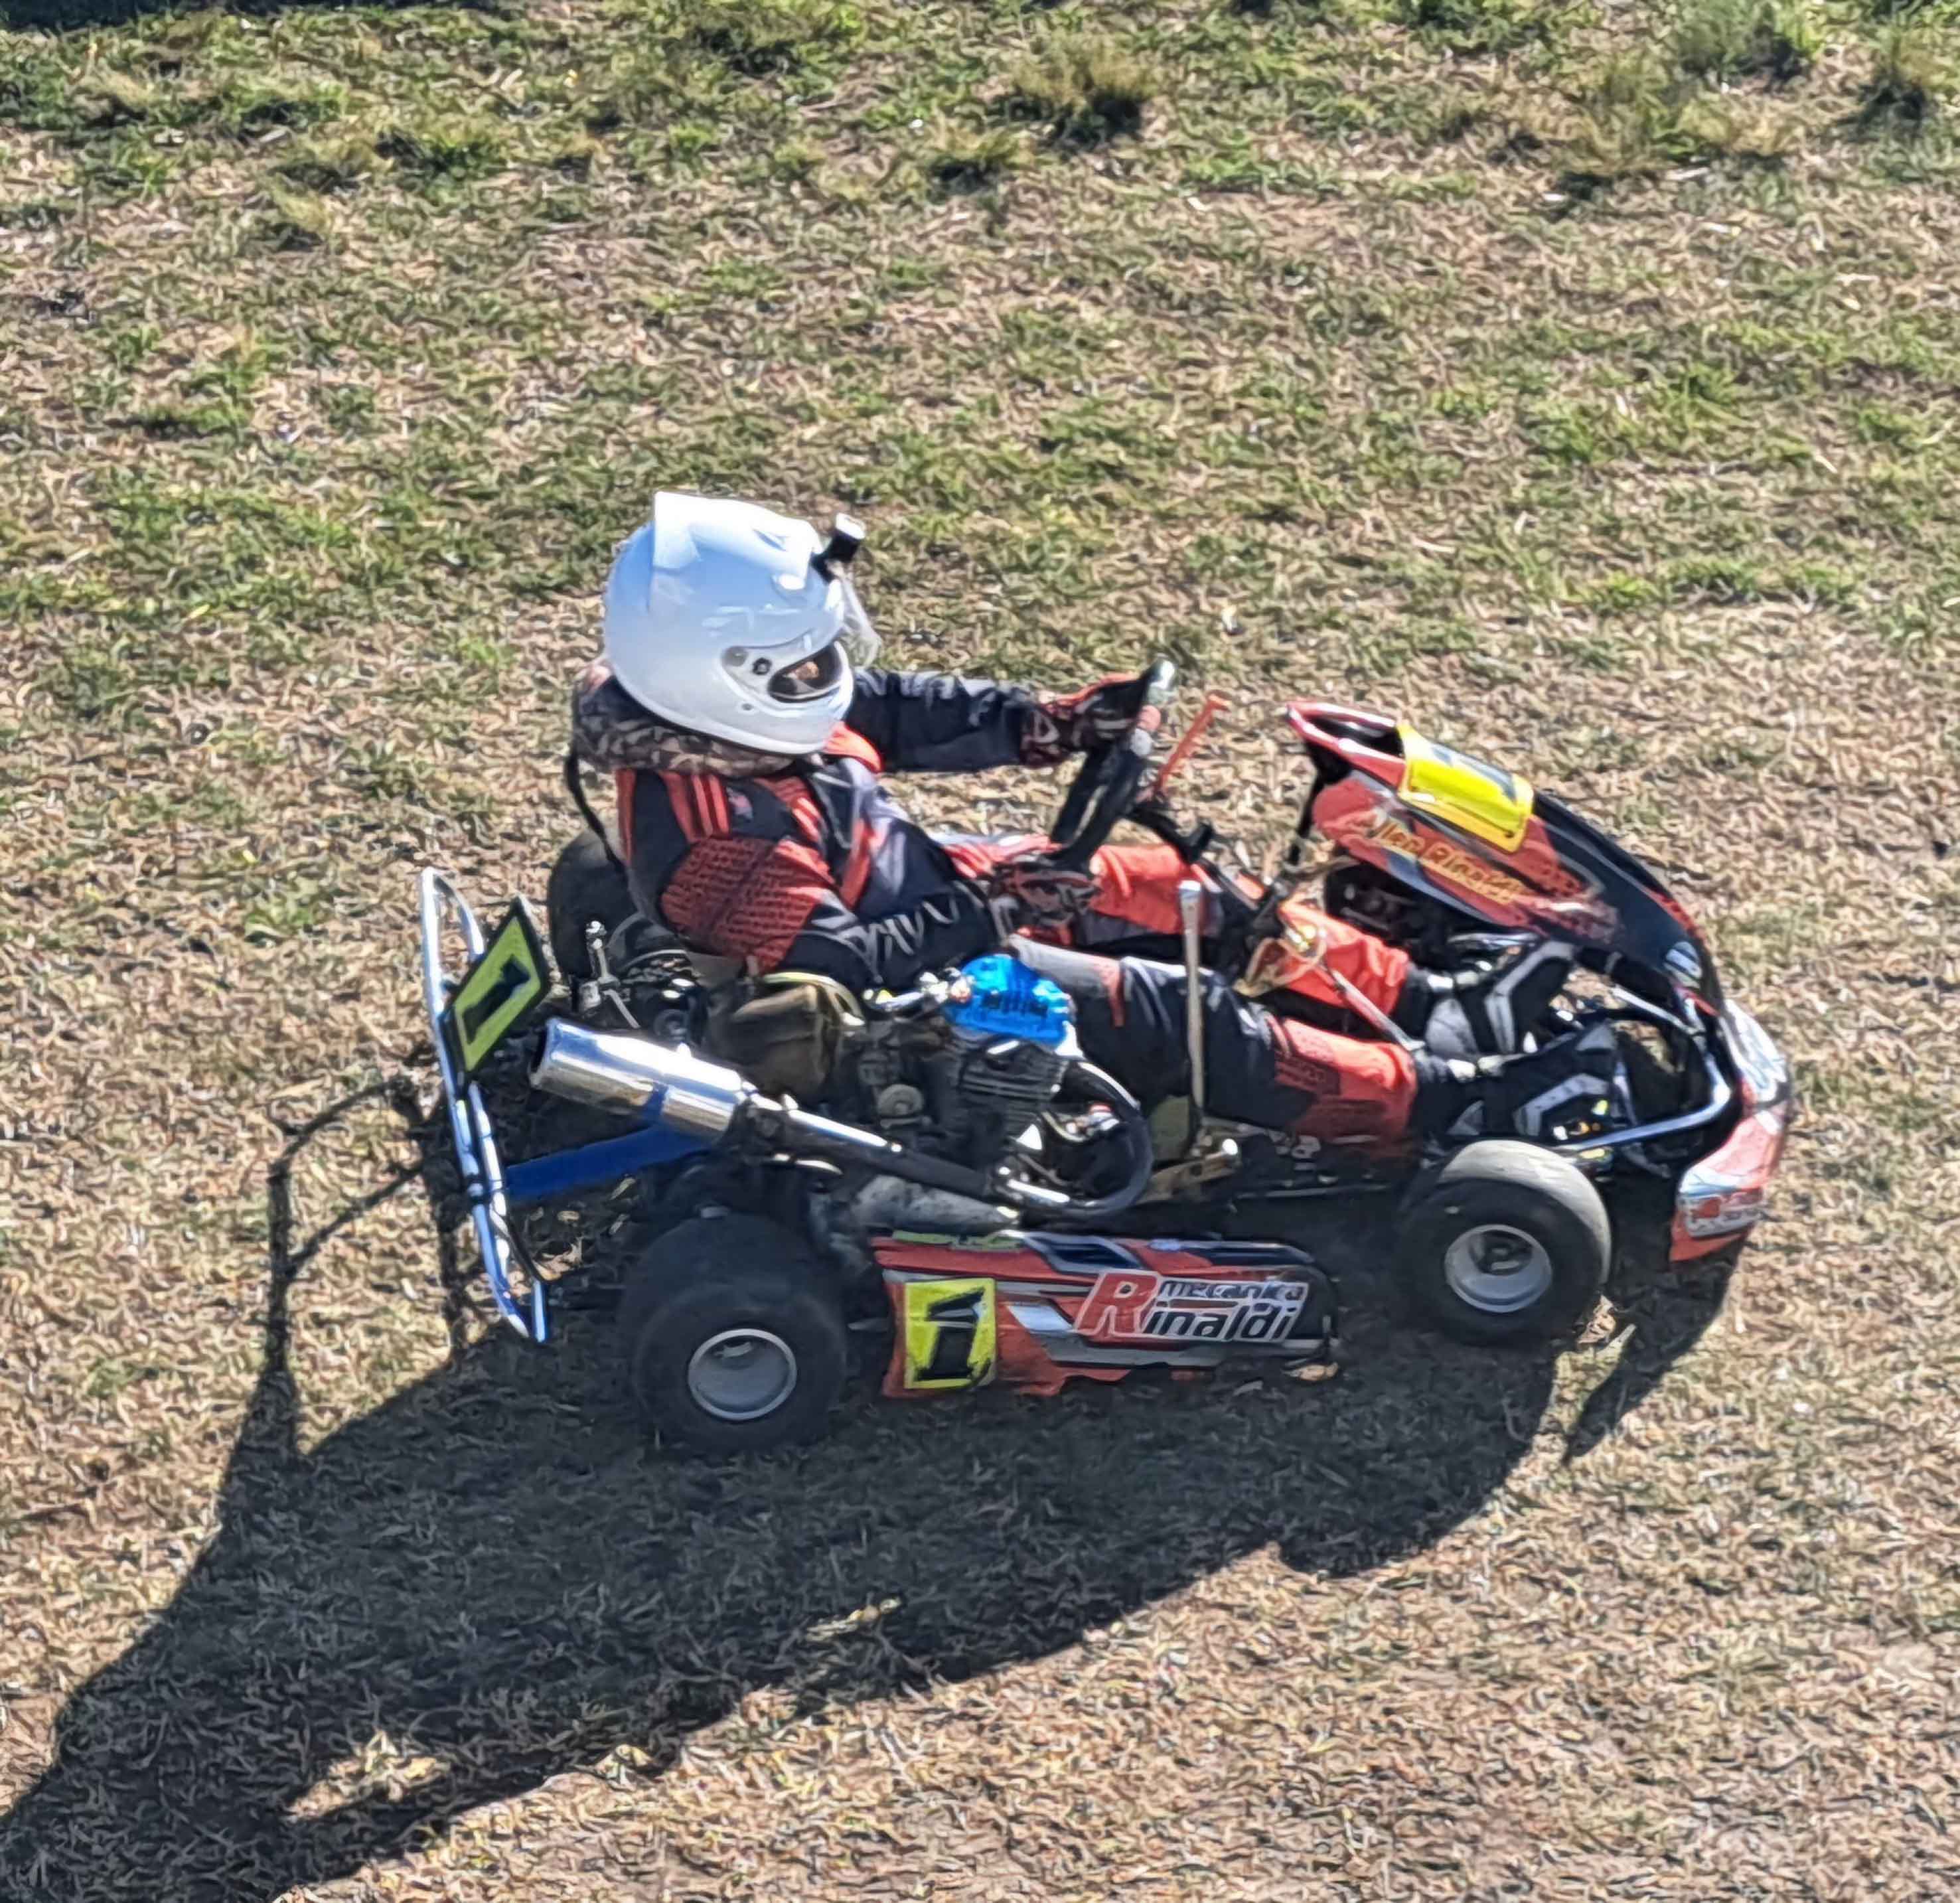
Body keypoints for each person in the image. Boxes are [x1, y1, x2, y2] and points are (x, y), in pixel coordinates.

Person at [569, 493, 1615, 1152]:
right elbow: (838, 972)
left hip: (932, 895)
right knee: (1171, 1012)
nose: (829, 677)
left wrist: (1049, 723)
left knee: (1177, 889)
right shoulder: (716, 838)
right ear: (722, 677)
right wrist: (992, 906)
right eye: (801, 665)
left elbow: (887, 709)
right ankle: (1445, 1103)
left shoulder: (751, 728)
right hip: (900, 1010)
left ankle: (1432, 1004)